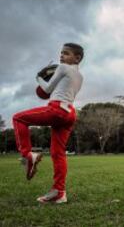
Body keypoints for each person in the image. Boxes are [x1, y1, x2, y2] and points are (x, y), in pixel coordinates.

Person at [13, 43, 84, 204]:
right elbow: (61, 88)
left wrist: (38, 78)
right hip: (70, 113)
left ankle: (28, 155)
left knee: (18, 118)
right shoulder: (80, 76)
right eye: (61, 53)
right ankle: (59, 192)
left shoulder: (63, 68)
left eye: (66, 53)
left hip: (57, 109)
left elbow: (46, 90)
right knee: (58, 153)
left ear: (77, 58)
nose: (61, 56)